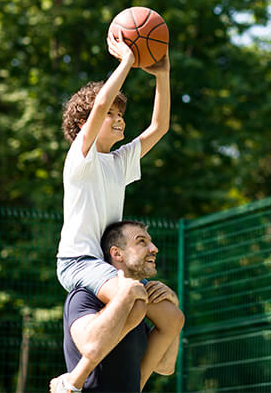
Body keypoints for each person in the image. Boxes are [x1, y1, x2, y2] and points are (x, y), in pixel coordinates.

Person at [50, 29, 181, 392]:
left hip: (110, 265)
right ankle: (73, 382)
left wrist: (162, 75)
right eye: (111, 113)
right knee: (131, 296)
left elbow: (160, 126)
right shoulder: (81, 158)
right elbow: (100, 103)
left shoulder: (119, 161)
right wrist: (127, 60)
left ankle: (135, 386)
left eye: (121, 113)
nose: (119, 118)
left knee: (170, 316)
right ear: (83, 126)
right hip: (79, 261)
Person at [55, 220, 183, 392]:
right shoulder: (83, 297)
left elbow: (165, 366)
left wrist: (173, 304)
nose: (154, 248)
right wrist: (125, 296)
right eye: (141, 241)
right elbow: (91, 347)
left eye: (150, 241)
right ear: (117, 254)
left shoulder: (143, 310)